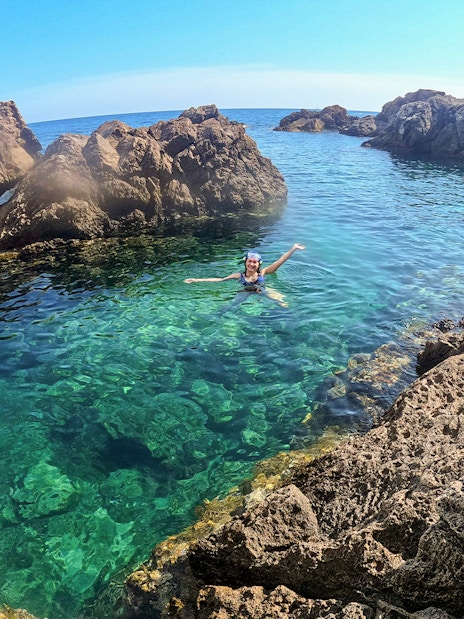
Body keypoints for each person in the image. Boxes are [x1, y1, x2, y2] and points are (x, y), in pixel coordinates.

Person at [184, 244, 305, 306]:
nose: (252, 264)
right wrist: (195, 280)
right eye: (250, 261)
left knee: (284, 304)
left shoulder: (263, 273)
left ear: (259, 264)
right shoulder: (238, 276)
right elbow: (219, 280)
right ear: (245, 262)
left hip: (262, 290)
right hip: (244, 291)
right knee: (231, 306)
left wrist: (293, 249)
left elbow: (279, 262)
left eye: (255, 262)